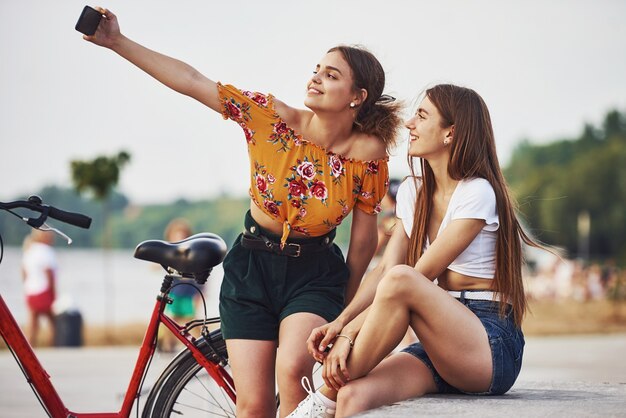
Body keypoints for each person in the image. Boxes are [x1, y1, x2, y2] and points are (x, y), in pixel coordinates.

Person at [83, 8, 403, 417]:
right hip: (251, 265)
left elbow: (363, 242)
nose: (315, 78)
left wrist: (346, 311)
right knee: (251, 406)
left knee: (293, 373)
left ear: (357, 97)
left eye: (331, 75)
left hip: (316, 274)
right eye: (316, 69)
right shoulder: (270, 117)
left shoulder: (369, 156)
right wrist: (116, 42)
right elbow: (194, 82)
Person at [288, 84, 547, 418]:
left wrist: (349, 334)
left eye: (422, 116)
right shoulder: (413, 192)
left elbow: (415, 278)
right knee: (353, 396)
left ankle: (319, 398)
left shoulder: (477, 193)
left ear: (450, 133)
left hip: (488, 345)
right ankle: (331, 395)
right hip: (436, 343)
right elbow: (383, 271)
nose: (410, 124)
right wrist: (340, 321)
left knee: (403, 280)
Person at [159, 218, 203, 352]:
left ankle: (201, 345)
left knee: (191, 321)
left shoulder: (192, 255)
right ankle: (167, 345)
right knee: (170, 321)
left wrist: (199, 295)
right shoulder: (171, 255)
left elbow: (200, 277)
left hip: (189, 293)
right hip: (175, 293)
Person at [21, 229, 58, 347]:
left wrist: (28, 286)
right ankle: (54, 347)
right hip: (44, 291)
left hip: (30, 291)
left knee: (33, 324)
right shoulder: (46, 251)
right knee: (54, 321)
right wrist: (53, 294)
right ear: (44, 237)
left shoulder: (29, 249)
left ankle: (28, 348)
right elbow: (49, 274)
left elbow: (23, 272)